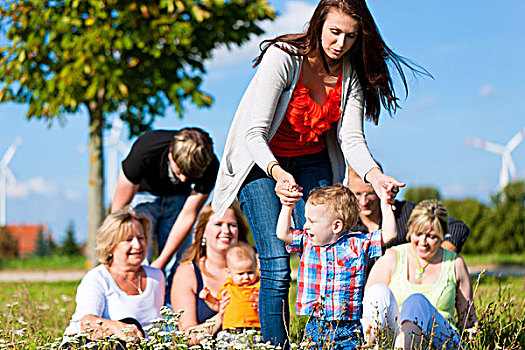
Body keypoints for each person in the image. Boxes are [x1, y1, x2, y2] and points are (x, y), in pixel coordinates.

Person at [211, 0, 425, 345]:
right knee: (277, 264)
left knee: (332, 245)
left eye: (351, 37)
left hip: (311, 161)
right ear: (318, 25)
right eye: (334, 32)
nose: (341, 44)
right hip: (262, 163)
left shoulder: (349, 73)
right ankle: (275, 344)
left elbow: (352, 138)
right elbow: (254, 134)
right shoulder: (284, 58)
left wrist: (374, 176)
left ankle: (329, 338)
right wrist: (279, 174)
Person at [276, 184, 397, 349]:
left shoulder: (357, 244)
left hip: (348, 327)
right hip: (315, 324)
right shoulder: (307, 242)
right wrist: (287, 206)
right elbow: (283, 234)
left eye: (311, 221)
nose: (305, 226)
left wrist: (386, 204)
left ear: (336, 226)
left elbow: (390, 234)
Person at [111, 127, 219, 307]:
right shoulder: (146, 148)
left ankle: (170, 313)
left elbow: (188, 214)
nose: (184, 179)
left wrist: (161, 262)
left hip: (179, 203)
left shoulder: (209, 165)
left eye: (190, 175)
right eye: (180, 171)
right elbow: (118, 210)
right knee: (137, 256)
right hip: (143, 198)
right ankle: (132, 305)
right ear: (170, 154)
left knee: (177, 262)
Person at [361, 200, 478, 349]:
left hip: (441, 340)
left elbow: (468, 319)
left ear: (442, 235)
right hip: (397, 339)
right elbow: (368, 306)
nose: (423, 242)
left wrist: (476, 343)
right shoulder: (392, 256)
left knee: (416, 302)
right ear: (410, 229)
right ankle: (365, 344)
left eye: (431, 236)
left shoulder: (455, 264)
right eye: (418, 234)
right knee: (378, 291)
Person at [64, 207, 164, 344]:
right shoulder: (97, 278)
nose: (137, 245)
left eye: (141, 238)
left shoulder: (156, 277)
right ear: (111, 245)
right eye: (128, 239)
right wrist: (118, 327)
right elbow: (87, 323)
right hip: (91, 344)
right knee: (129, 322)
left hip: (140, 345)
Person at [170, 203, 250, 344]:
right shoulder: (187, 273)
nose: (226, 230)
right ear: (203, 232)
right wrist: (222, 315)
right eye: (218, 224)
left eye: (232, 225)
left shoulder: (255, 266)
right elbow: (187, 337)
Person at [348, 166, 469, 253]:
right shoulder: (344, 223)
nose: (364, 201)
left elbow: (456, 228)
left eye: (370, 193)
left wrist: (438, 260)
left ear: (382, 188)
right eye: (357, 194)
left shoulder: (406, 212)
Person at [200, 242, 261, 331]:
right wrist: (208, 298)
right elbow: (218, 306)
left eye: (250, 272)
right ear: (229, 272)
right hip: (231, 328)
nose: (246, 277)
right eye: (240, 274)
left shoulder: (258, 285)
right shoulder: (228, 286)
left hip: (255, 327)